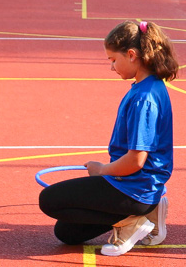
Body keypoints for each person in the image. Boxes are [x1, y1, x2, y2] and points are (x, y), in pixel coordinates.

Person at [39, 20, 177, 256]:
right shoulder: (149, 86)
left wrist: (102, 169)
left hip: (134, 187)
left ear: (132, 55)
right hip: (137, 186)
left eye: (113, 60)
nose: (112, 67)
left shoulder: (145, 98)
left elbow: (135, 161)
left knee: (49, 200)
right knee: (66, 234)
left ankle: (131, 221)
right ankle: (143, 212)